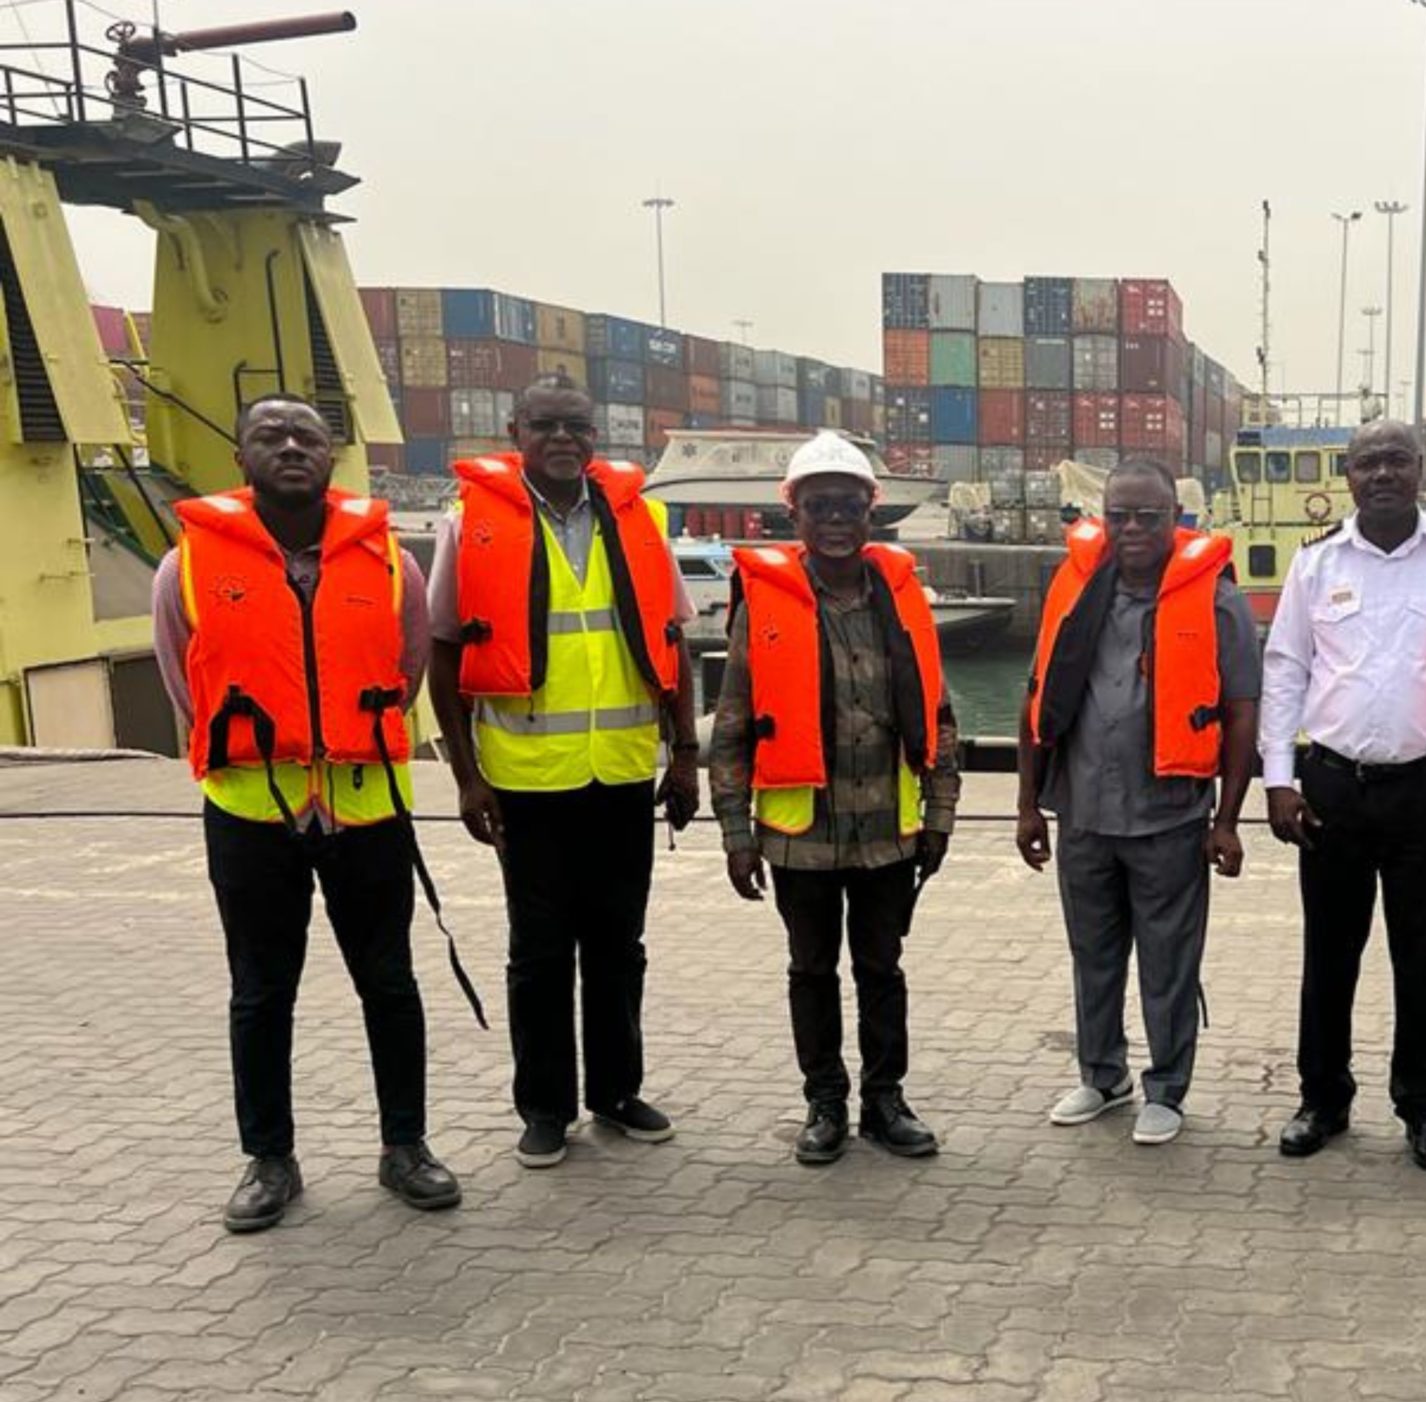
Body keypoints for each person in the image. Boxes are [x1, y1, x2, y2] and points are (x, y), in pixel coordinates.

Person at [152, 394, 461, 1231]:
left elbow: (406, 668)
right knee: (260, 991)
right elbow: (185, 677)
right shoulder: (185, 566)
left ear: (333, 457)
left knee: (389, 982)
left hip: (366, 807)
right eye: (270, 436)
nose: (291, 447)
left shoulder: (390, 562)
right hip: (252, 810)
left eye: (308, 438)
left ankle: (406, 1146)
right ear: (242, 458)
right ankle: (269, 1158)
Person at [426, 376, 697, 1170]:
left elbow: (670, 644)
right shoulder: (468, 526)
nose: (562, 439)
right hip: (525, 778)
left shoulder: (640, 520)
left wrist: (683, 753)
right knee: (539, 952)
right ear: (516, 430)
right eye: (544, 425)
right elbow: (444, 652)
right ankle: (544, 1106)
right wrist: (467, 777)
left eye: (576, 426)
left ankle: (616, 1090)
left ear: (595, 434)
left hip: (618, 774)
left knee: (619, 945)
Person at [1260, 419, 1426, 1170]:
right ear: (1346, 476)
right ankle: (1323, 1100)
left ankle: (1425, 1108)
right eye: (1367, 462)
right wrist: (1278, 779)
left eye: (1396, 460)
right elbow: (1284, 671)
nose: (1382, 474)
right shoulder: (1315, 564)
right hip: (1333, 785)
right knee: (1328, 954)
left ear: (1420, 469)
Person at [709, 432, 958, 1165]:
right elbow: (731, 728)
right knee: (811, 970)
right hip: (800, 836)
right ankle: (825, 1100)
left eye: (850, 504)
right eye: (820, 505)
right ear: (796, 514)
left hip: (888, 829)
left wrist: (939, 816)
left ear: (870, 511)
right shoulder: (766, 608)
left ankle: (886, 1100)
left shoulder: (907, 605)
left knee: (882, 969)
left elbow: (939, 719)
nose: (837, 519)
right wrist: (735, 832)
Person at [1016, 458, 1260, 1145]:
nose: (1130, 528)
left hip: (1170, 816)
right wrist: (1028, 804)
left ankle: (1167, 1087)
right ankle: (1102, 1075)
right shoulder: (1074, 587)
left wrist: (1228, 818)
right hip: (1084, 813)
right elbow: (1034, 696)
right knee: (1092, 953)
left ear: (1174, 519)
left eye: (1147, 516)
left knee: (1168, 960)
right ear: (1103, 514)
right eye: (1117, 514)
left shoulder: (1214, 597)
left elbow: (1243, 711)